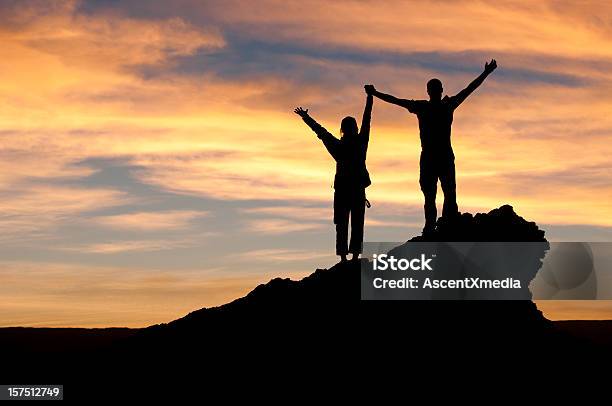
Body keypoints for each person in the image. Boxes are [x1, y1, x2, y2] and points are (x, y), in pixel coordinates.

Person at [366, 59, 497, 234]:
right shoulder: (432, 106)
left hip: (439, 156)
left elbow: (469, 89)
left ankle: (443, 224)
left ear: (437, 91)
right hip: (433, 157)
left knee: (445, 193)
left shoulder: (438, 106)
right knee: (435, 194)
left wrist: (486, 73)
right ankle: (433, 226)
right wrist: (375, 93)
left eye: (436, 89)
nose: (435, 91)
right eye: (433, 89)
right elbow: (397, 101)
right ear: (432, 91)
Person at [294, 86, 374, 262]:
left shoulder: (337, 145)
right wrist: (370, 97)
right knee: (356, 222)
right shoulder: (361, 143)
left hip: (343, 189)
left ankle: (344, 257)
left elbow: (320, 132)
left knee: (342, 222)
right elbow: (367, 119)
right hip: (357, 189)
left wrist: (306, 117)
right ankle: (353, 256)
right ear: (354, 128)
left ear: (342, 130)